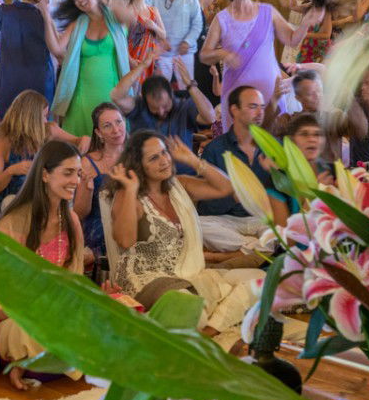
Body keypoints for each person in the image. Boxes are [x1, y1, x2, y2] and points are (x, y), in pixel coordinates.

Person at [108, 131, 261, 349]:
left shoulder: (179, 185)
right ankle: (213, 320)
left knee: (259, 280)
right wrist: (131, 189)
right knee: (191, 309)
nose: (164, 160)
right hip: (147, 280)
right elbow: (124, 241)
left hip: (189, 273)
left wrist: (193, 160)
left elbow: (226, 188)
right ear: (139, 166)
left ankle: (208, 332)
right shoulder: (129, 195)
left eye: (164, 153)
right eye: (154, 158)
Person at [0, 140, 85, 390]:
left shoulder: (71, 221)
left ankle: (37, 358)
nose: (76, 180)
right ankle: (26, 359)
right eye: (68, 173)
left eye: (78, 173)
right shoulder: (11, 224)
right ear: (45, 175)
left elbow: (75, 281)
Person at [200, 0, 323, 134]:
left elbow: (291, 39)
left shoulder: (268, 11)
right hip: (237, 91)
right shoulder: (222, 18)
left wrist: (305, 24)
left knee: (273, 137)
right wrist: (223, 53)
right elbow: (204, 55)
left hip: (269, 90)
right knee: (239, 141)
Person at [44, 0, 130, 138]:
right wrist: (46, 18)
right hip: (81, 93)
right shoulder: (78, 24)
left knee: (112, 136)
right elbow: (56, 49)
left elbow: (130, 17)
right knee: (81, 140)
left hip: (112, 91)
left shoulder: (114, 16)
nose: (79, 0)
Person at [197, 86, 274, 257]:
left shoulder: (272, 146)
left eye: (262, 107)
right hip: (226, 220)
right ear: (235, 110)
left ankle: (229, 255)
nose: (260, 112)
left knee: (281, 230)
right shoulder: (215, 149)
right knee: (199, 226)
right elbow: (205, 205)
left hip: (262, 218)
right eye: (253, 106)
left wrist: (277, 175)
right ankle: (252, 250)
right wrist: (234, 196)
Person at [111, 51, 213, 173]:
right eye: (154, 107)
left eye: (165, 106)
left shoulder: (184, 106)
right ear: (145, 100)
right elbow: (116, 95)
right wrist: (143, 66)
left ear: (171, 96)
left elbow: (210, 117)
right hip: (146, 175)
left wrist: (191, 86)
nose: (160, 111)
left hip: (183, 174)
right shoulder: (138, 106)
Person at [0, 89, 87, 212]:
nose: (46, 121)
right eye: (44, 116)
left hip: (44, 200)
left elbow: (79, 140)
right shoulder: (4, 144)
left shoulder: (49, 131)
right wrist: (11, 171)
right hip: (14, 204)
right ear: (30, 118)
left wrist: (83, 142)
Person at [0, 0, 55, 117]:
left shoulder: (5, 11)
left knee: (11, 119)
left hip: (10, 76)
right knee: (37, 120)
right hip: (38, 77)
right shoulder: (44, 17)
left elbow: (0, 27)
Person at [74, 102, 127, 257]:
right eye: (107, 126)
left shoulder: (138, 155)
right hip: (100, 230)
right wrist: (87, 190)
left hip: (133, 222)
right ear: (98, 132)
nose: (116, 130)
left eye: (118, 122)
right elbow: (79, 213)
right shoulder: (87, 162)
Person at [265, 113, 333, 228]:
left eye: (317, 134)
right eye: (304, 134)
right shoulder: (277, 182)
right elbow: (285, 235)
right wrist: (316, 195)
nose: (312, 139)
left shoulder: (332, 171)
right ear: (291, 141)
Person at [153, 0, 202, 89]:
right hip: (164, 51)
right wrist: (160, 39)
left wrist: (188, 41)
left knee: (187, 88)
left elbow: (197, 23)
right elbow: (152, 22)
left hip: (184, 51)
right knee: (160, 88)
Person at [116, 0, 166, 90]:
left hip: (150, 58)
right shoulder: (128, 11)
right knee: (134, 91)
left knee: (151, 90)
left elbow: (163, 35)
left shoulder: (153, 10)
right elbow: (121, 40)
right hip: (134, 58)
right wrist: (130, 60)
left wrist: (154, 27)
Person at [272, 0, 319, 65]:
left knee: (296, 60)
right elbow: (285, 4)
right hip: (291, 28)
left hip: (302, 30)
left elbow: (295, 7)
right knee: (287, 59)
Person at [296, 0, 334, 64]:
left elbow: (327, 35)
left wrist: (306, 34)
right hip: (308, 46)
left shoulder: (326, 10)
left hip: (319, 49)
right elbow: (292, 6)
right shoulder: (310, 6)